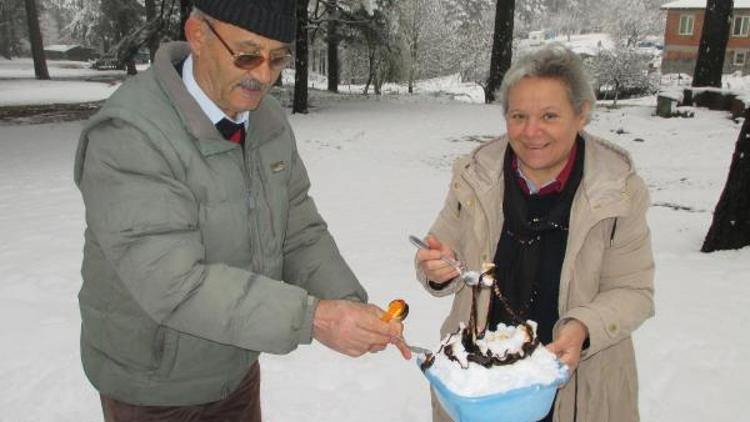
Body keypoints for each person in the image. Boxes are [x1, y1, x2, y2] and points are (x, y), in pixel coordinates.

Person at [73, 1, 408, 420]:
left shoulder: (264, 119)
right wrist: (313, 317)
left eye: (278, 57)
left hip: (235, 365)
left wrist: (346, 302)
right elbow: (175, 284)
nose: (264, 75)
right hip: (153, 388)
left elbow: (297, 230)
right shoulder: (130, 135)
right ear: (197, 35)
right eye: (247, 54)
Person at [415, 43, 654, 422]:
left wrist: (582, 328)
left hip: (579, 388)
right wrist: (434, 268)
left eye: (549, 116)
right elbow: (440, 250)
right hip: (480, 387)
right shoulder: (475, 176)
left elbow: (634, 292)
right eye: (518, 115)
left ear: (582, 115)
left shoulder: (617, 189)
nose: (531, 132)